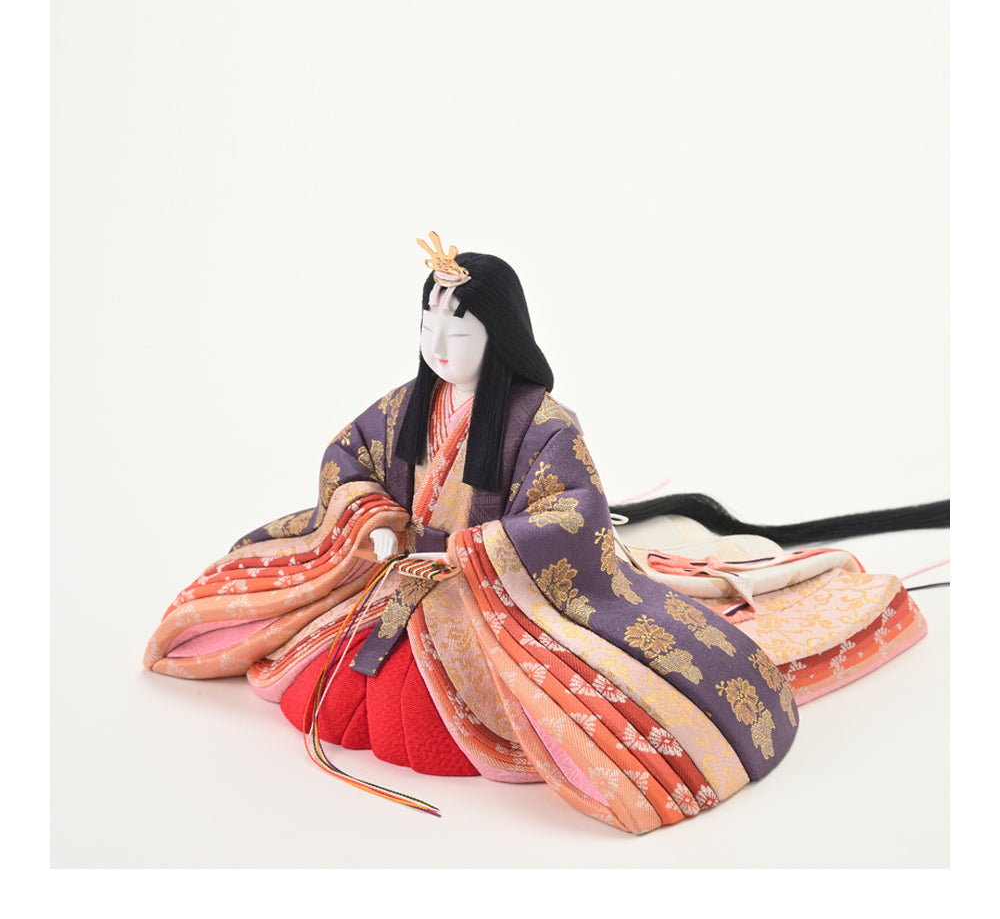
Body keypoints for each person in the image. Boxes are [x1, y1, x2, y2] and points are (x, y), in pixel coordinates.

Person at [144, 234, 807, 833]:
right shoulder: (406, 405)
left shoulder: (541, 422)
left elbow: (572, 509)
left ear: (500, 333)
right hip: (399, 574)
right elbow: (348, 457)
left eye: (457, 328)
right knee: (317, 669)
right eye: (427, 322)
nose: (438, 342)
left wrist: (473, 551)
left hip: (486, 588)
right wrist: (373, 517)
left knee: (452, 703)